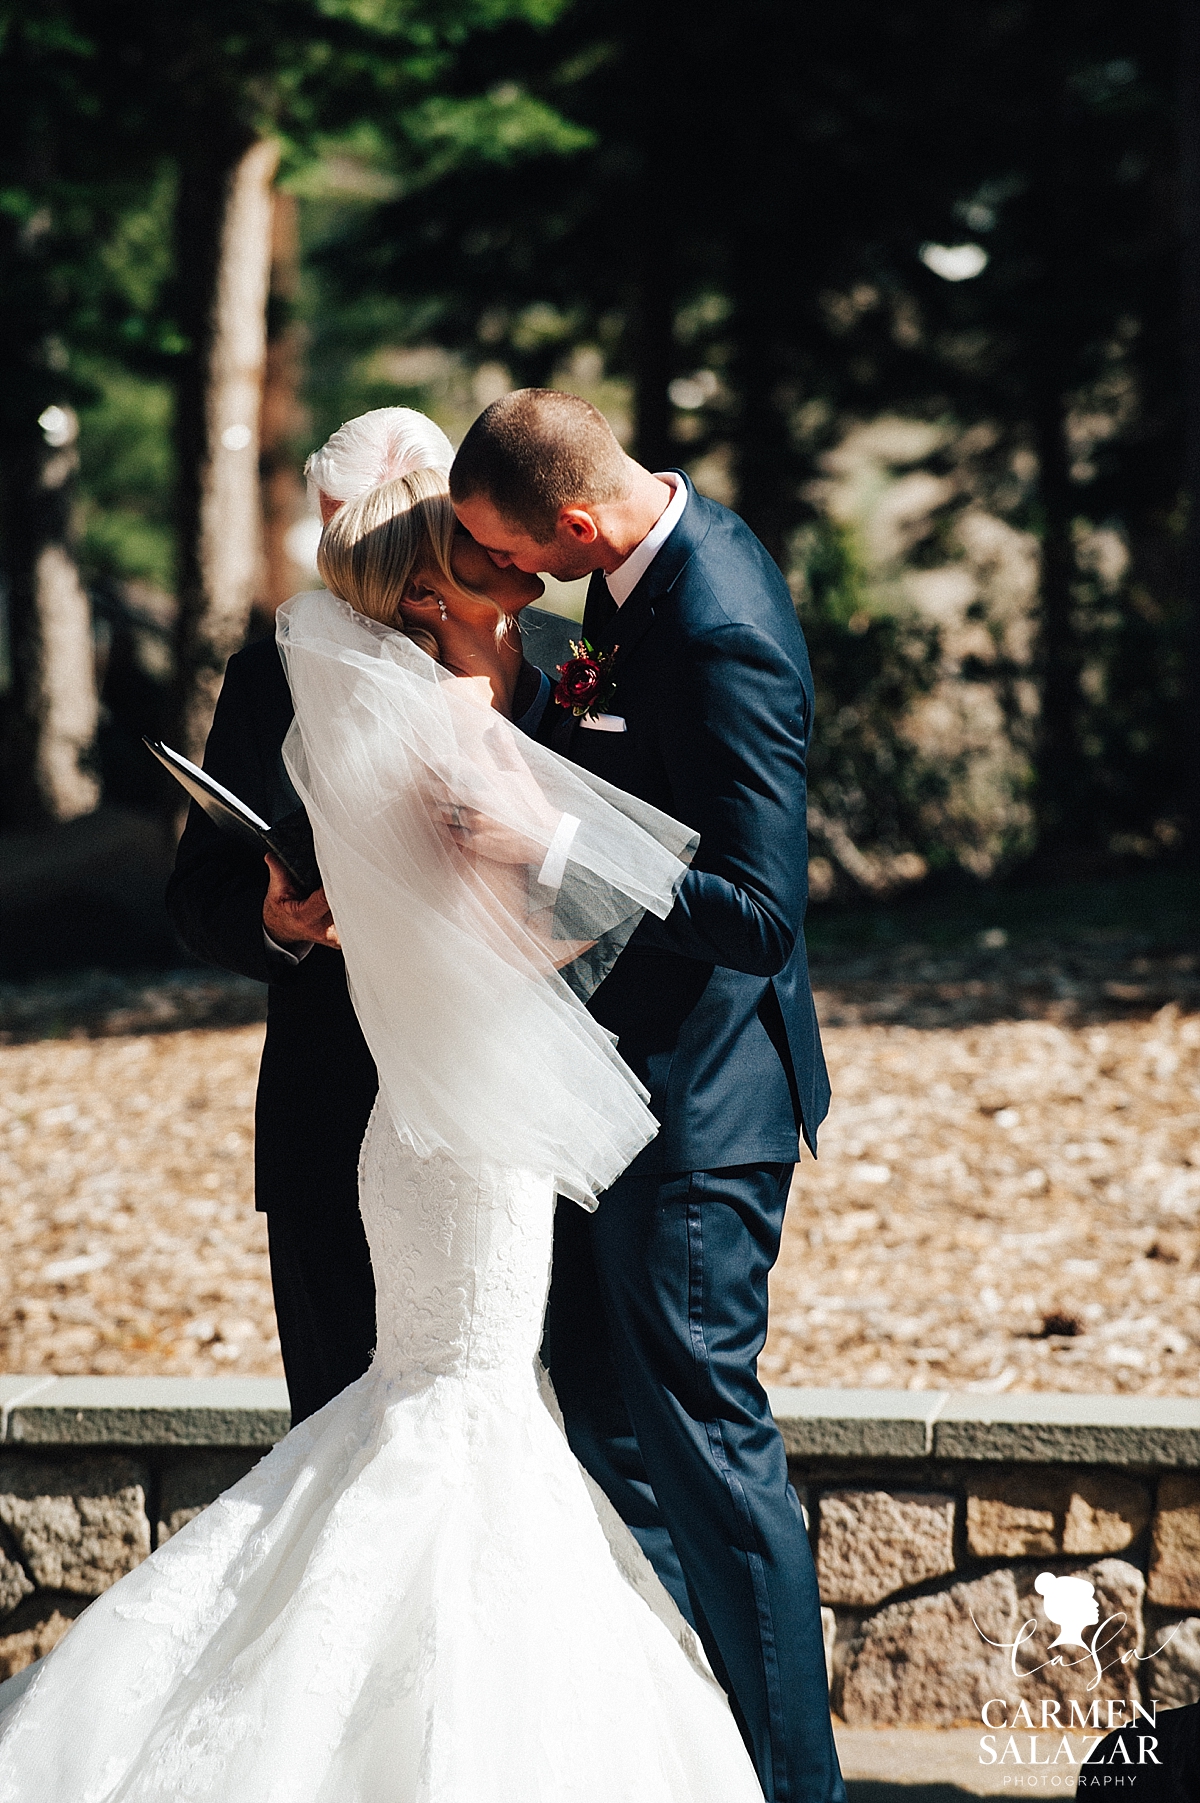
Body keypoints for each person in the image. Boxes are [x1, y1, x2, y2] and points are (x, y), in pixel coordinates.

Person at [0, 465, 764, 1802]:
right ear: (423, 586)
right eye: (470, 549)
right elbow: (534, 928)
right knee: (453, 1420)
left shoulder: (416, 701)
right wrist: (585, 873)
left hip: (433, 1119)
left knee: (428, 1417)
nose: (506, 564)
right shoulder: (428, 731)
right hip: (461, 1123)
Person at [451, 389, 842, 1803]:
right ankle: (695, 1761)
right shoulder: (630, 576)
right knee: (617, 1433)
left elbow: (758, 910)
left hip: (703, 1110)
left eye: (513, 553)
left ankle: (799, 1784)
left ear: (571, 519)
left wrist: (543, 837)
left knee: (714, 1461)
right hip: (615, 1086)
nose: (515, 578)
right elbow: (632, 758)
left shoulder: (720, 615)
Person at [167, 407, 574, 1423]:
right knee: (335, 1422)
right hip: (332, 1111)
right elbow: (200, 889)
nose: (361, 583)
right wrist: (273, 919)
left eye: (390, 540)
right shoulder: (271, 674)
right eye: (341, 541)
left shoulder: (570, 662)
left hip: (519, 1103)